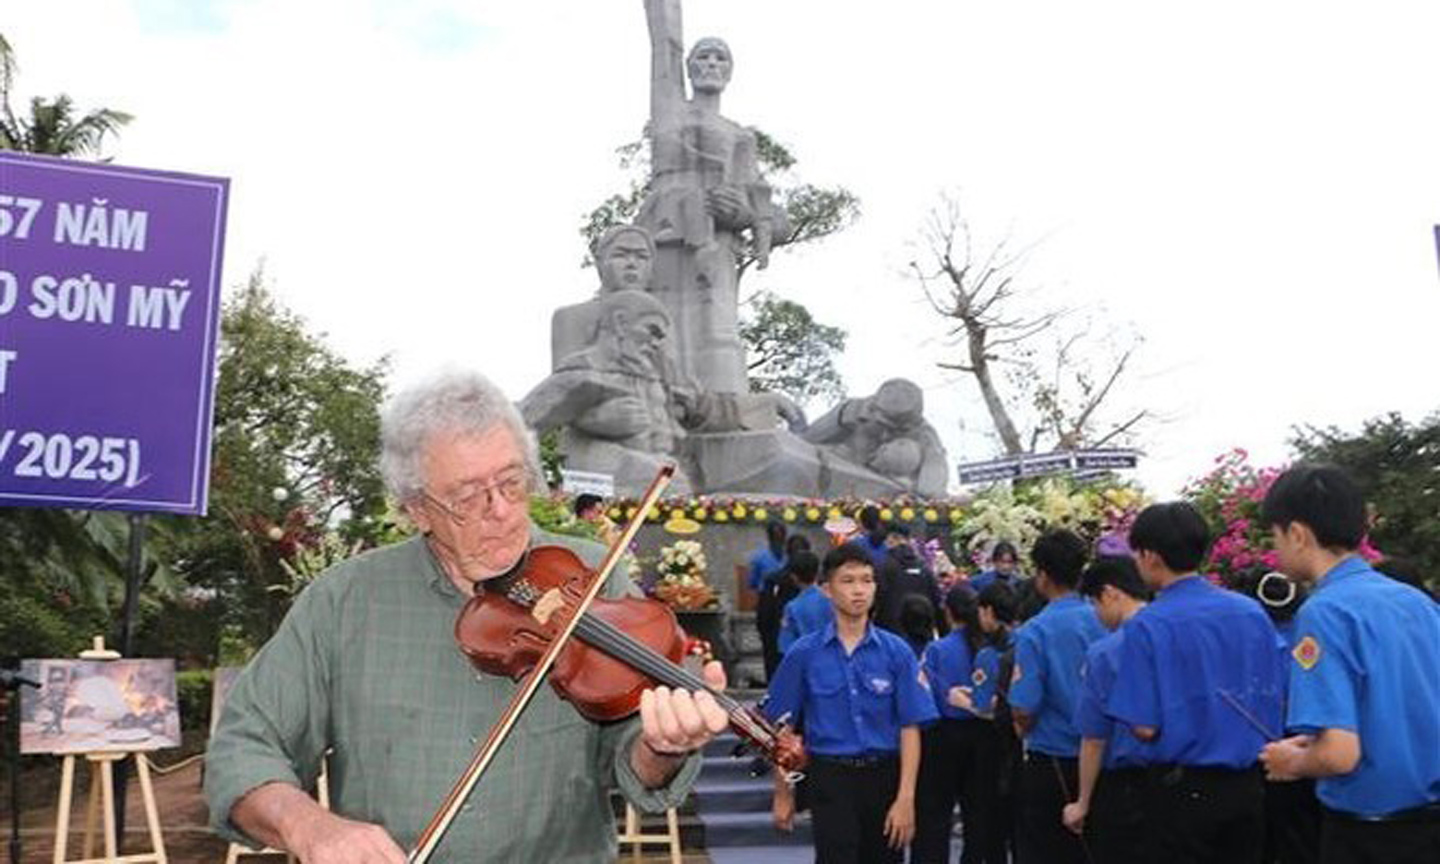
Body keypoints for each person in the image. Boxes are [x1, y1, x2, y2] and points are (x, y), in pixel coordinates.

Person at [205, 370, 728, 864]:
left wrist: (664, 747)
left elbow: (635, 760)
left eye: (511, 483)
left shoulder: (594, 579)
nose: (500, 510)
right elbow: (243, 747)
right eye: (467, 496)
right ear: (416, 508)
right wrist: (308, 826)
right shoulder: (344, 601)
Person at [1258, 464, 1440, 864]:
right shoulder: (1417, 603)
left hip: (1370, 835)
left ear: (1298, 534)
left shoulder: (1324, 612)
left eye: (1274, 535)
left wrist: (1294, 761)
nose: (1275, 548)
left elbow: (1339, 755)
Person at [1107, 501, 1286, 864]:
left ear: (1151, 556)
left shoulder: (1148, 625)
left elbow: (1143, 727)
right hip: (1251, 782)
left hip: (1182, 789)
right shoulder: (1251, 612)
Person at [767, 543, 938, 863]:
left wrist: (906, 798)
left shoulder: (897, 652)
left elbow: (910, 726)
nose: (859, 590)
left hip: (885, 776)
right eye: (848, 581)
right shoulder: (804, 654)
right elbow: (781, 729)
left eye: (866, 580)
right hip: (831, 780)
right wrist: (782, 792)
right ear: (826, 589)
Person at [1007, 529, 1105, 864]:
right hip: (1107, 759)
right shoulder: (1106, 619)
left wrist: (1023, 728)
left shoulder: (1035, 631)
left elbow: (1023, 704)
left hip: (1053, 761)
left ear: (1043, 574)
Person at [1061, 555, 1152, 862]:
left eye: (1095, 602)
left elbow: (1094, 738)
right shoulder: (1176, 634)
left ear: (1112, 593)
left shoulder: (1106, 652)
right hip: (1178, 780)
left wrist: (1082, 802)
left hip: (1124, 784)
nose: (1096, 614)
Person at [913, 586, 991, 864]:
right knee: (978, 813)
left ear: (947, 613)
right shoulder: (988, 648)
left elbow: (923, 693)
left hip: (943, 736)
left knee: (934, 815)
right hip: (983, 735)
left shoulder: (937, 650)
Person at [971, 582, 1021, 864]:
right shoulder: (1028, 640)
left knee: (992, 826)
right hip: (1025, 743)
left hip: (993, 744)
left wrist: (960, 699)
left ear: (988, 611)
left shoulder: (987, 655)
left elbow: (983, 706)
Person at [874, 523, 947, 639]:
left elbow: (874, 601)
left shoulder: (882, 567)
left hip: (889, 636)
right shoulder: (924, 568)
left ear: (892, 539)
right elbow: (937, 603)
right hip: (921, 637)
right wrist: (944, 635)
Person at [751, 520, 791, 680]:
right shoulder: (791, 557)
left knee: (769, 646)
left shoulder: (759, 557)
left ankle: (772, 681)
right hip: (787, 602)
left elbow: (752, 583)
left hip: (767, 604)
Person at [778, 550, 828, 653]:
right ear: (818, 572)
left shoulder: (792, 607)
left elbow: (786, 645)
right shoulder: (833, 599)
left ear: (794, 577)